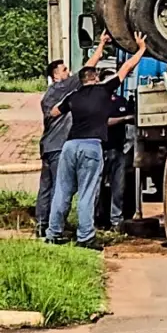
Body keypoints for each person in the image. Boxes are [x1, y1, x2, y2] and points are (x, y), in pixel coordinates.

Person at [45, 33, 147, 248]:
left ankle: (53, 233)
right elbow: (126, 67)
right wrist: (141, 49)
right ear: (96, 78)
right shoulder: (104, 91)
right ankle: (85, 237)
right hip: (91, 146)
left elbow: (54, 112)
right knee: (87, 192)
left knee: (62, 191)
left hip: (70, 146)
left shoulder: (73, 96)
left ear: (82, 80)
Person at [35, 32, 112, 238]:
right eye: (64, 70)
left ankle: (42, 225)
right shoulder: (63, 87)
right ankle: (57, 228)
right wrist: (101, 44)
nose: (68, 73)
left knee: (46, 187)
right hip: (60, 145)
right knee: (61, 189)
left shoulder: (48, 95)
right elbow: (88, 68)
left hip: (48, 146)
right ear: (55, 76)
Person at [99, 68, 135, 230]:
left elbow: (132, 118)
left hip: (119, 150)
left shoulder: (121, 101)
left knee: (118, 187)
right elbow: (104, 121)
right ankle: (97, 219)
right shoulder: (98, 102)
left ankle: (116, 220)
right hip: (101, 149)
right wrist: (124, 118)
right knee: (97, 187)